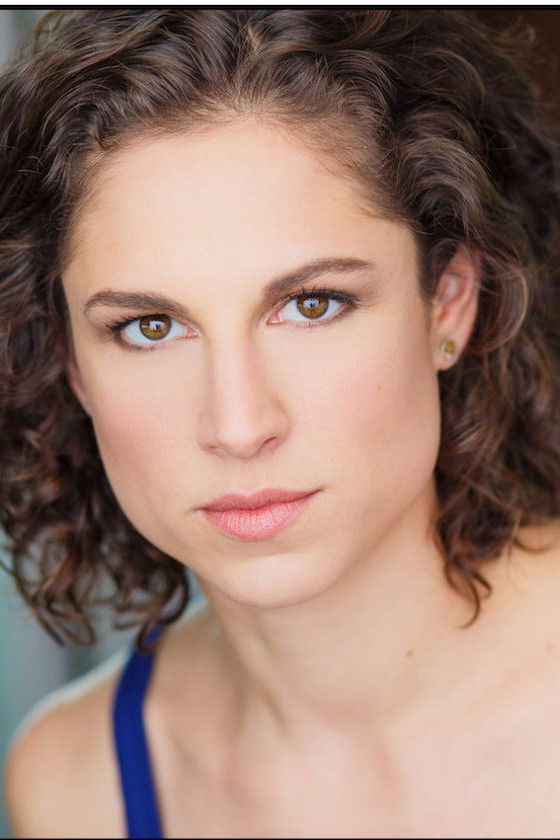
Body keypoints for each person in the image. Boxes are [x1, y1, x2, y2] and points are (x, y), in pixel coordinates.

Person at [1, 7, 559, 838]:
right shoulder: (77, 786)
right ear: (72, 364)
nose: (238, 425)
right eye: (150, 327)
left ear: (447, 302)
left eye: (312, 304)